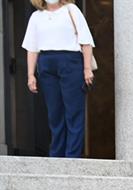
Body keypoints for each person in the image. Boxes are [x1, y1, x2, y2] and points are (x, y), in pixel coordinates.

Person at [22, 0, 95, 159]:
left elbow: (86, 41)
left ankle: (72, 156)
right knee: (54, 113)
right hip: (47, 64)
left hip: (71, 61)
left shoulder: (71, 10)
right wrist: (30, 75)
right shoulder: (36, 17)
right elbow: (32, 48)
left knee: (73, 111)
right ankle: (56, 155)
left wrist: (87, 69)